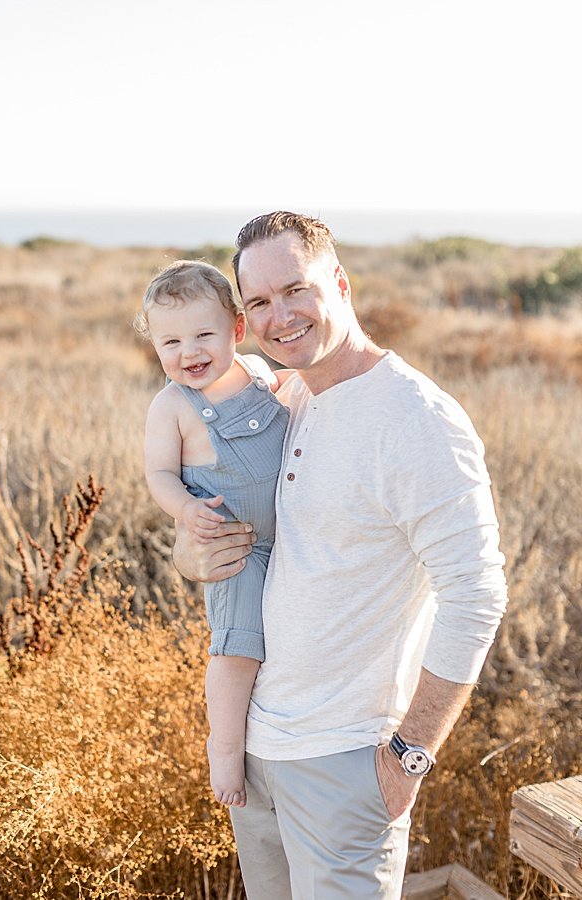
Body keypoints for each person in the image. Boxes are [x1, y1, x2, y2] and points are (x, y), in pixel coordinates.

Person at [172, 211, 508, 899]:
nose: (280, 316)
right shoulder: (287, 395)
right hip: (260, 752)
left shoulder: (414, 418)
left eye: (296, 290)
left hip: (347, 764)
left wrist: (407, 759)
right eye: (259, 302)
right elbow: (245, 540)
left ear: (341, 283)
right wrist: (192, 551)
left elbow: (476, 593)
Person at [136, 260, 288, 807]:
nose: (189, 352)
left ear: (237, 331)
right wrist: (183, 512)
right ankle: (225, 748)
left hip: (290, 540)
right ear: (154, 345)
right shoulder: (173, 406)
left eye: (204, 335)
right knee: (238, 648)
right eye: (170, 341)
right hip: (235, 549)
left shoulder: (258, 373)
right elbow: (159, 474)